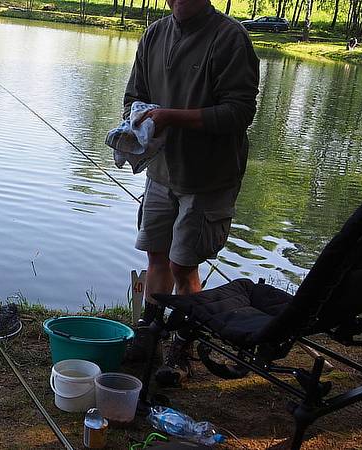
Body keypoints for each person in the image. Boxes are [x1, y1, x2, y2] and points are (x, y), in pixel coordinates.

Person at [123, 0, 260, 386]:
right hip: (162, 173)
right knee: (156, 257)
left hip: (208, 179)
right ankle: (149, 332)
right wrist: (134, 125)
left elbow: (238, 113)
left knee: (184, 265)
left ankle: (180, 351)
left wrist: (171, 117)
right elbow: (134, 94)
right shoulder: (154, 34)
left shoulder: (230, 38)